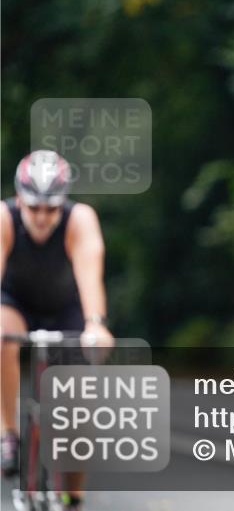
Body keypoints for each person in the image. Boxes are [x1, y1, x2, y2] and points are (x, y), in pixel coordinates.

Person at [0, 150, 114, 510]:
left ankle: (73, 496)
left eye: (51, 209)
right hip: (15, 304)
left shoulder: (80, 219)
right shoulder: (4, 218)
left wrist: (96, 326)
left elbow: (89, 273)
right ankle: (9, 433)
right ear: (20, 198)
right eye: (34, 208)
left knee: (79, 403)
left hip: (66, 310)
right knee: (1, 334)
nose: (42, 218)